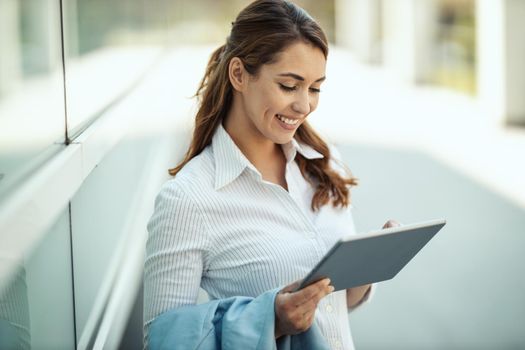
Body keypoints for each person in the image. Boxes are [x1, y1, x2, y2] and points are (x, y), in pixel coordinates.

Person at [144, 0, 396, 348]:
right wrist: (270, 320)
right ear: (238, 75)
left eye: (315, 88)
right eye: (289, 86)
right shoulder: (188, 199)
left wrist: (367, 269)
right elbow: (161, 338)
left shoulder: (324, 162)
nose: (304, 105)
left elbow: (337, 306)